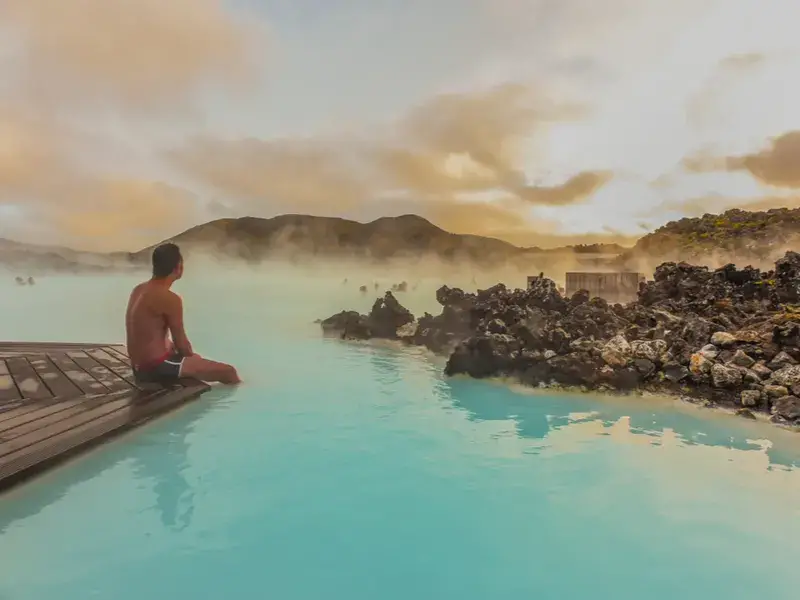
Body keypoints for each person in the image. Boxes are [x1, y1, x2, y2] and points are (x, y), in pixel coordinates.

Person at [125, 242, 241, 385]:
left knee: (178, 350)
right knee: (228, 372)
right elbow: (182, 345)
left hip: (138, 366)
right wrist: (193, 360)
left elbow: (148, 335)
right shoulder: (170, 298)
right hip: (155, 368)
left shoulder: (139, 289)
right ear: (178, 268)